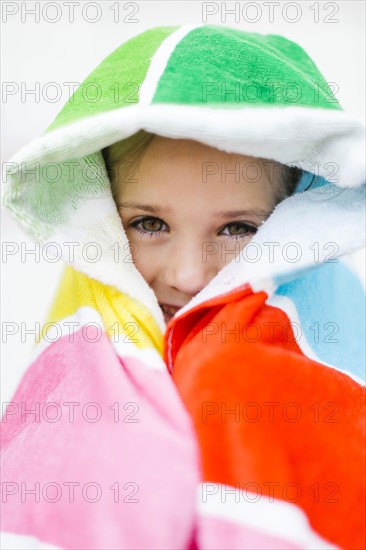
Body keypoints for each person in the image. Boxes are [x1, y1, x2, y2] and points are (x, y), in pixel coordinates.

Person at [1, 24, 365, 550]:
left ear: (297, 231)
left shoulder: (294, 367)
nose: (189, 276)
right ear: (99, 221)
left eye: (238, 228)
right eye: (149, 223)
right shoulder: (70, 384)